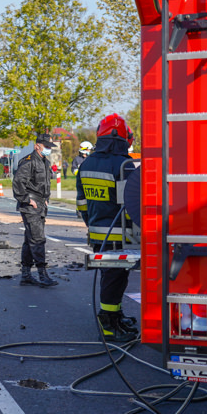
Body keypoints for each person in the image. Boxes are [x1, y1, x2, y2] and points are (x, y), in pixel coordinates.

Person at [76, 114, 139, 342]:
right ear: (121, 138)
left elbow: (82, 203)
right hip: (120, 235)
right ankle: (109, 325)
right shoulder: (124, 165)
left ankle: (115, 316)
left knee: (111, 278)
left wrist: (92, 225)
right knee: (115, 278)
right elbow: (131, 205)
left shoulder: (86, 164)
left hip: (96, 234)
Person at [12, 133, 59, 287]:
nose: (48, 150)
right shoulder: (29, 162)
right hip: (30, 206)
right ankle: (42, 274)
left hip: (40, 204)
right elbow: (18, 184)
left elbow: (45, 183)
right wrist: (28, 200)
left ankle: (25, 274)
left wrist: (46, 198)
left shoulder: (44, 162)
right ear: (37, 145)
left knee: (29, 240)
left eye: (49, 147)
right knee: (38, 239)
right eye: (46, 146)